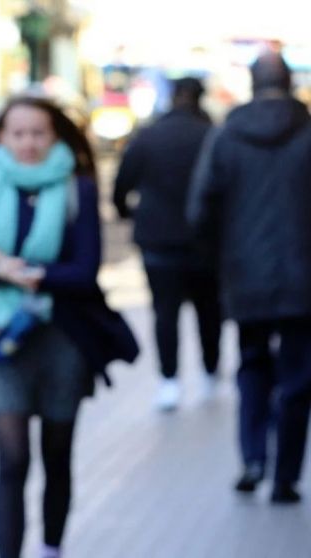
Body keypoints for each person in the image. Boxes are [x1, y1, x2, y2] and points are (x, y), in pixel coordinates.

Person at [0, 96, 137, 558]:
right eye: (18, 133)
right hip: (3, 338)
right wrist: (0, 271)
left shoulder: (78, 188)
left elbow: (84, 270)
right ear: (1, 137)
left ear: (55, 137)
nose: (29, 143)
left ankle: (52, 548)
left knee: (57, 454)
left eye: (39, 133)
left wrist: (20, 270)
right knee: (13, 459)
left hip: (63, 336)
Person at [188, 51, 311, 504]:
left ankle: (253, 458)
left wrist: (221, 261)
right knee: (298, 378)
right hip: (303, 282)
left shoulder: (226, 137)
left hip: (246, 278)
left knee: (253, 366)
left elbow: (200, 211)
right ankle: (286, 477)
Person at [114, 77, 222, 411]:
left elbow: (121, 186)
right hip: (204, 241)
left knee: (165, 312)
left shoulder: (149, 136)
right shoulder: (211, 136)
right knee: (209, 311)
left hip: (158, 241)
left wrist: (130, 213)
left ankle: (169, 381)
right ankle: (210, 373)